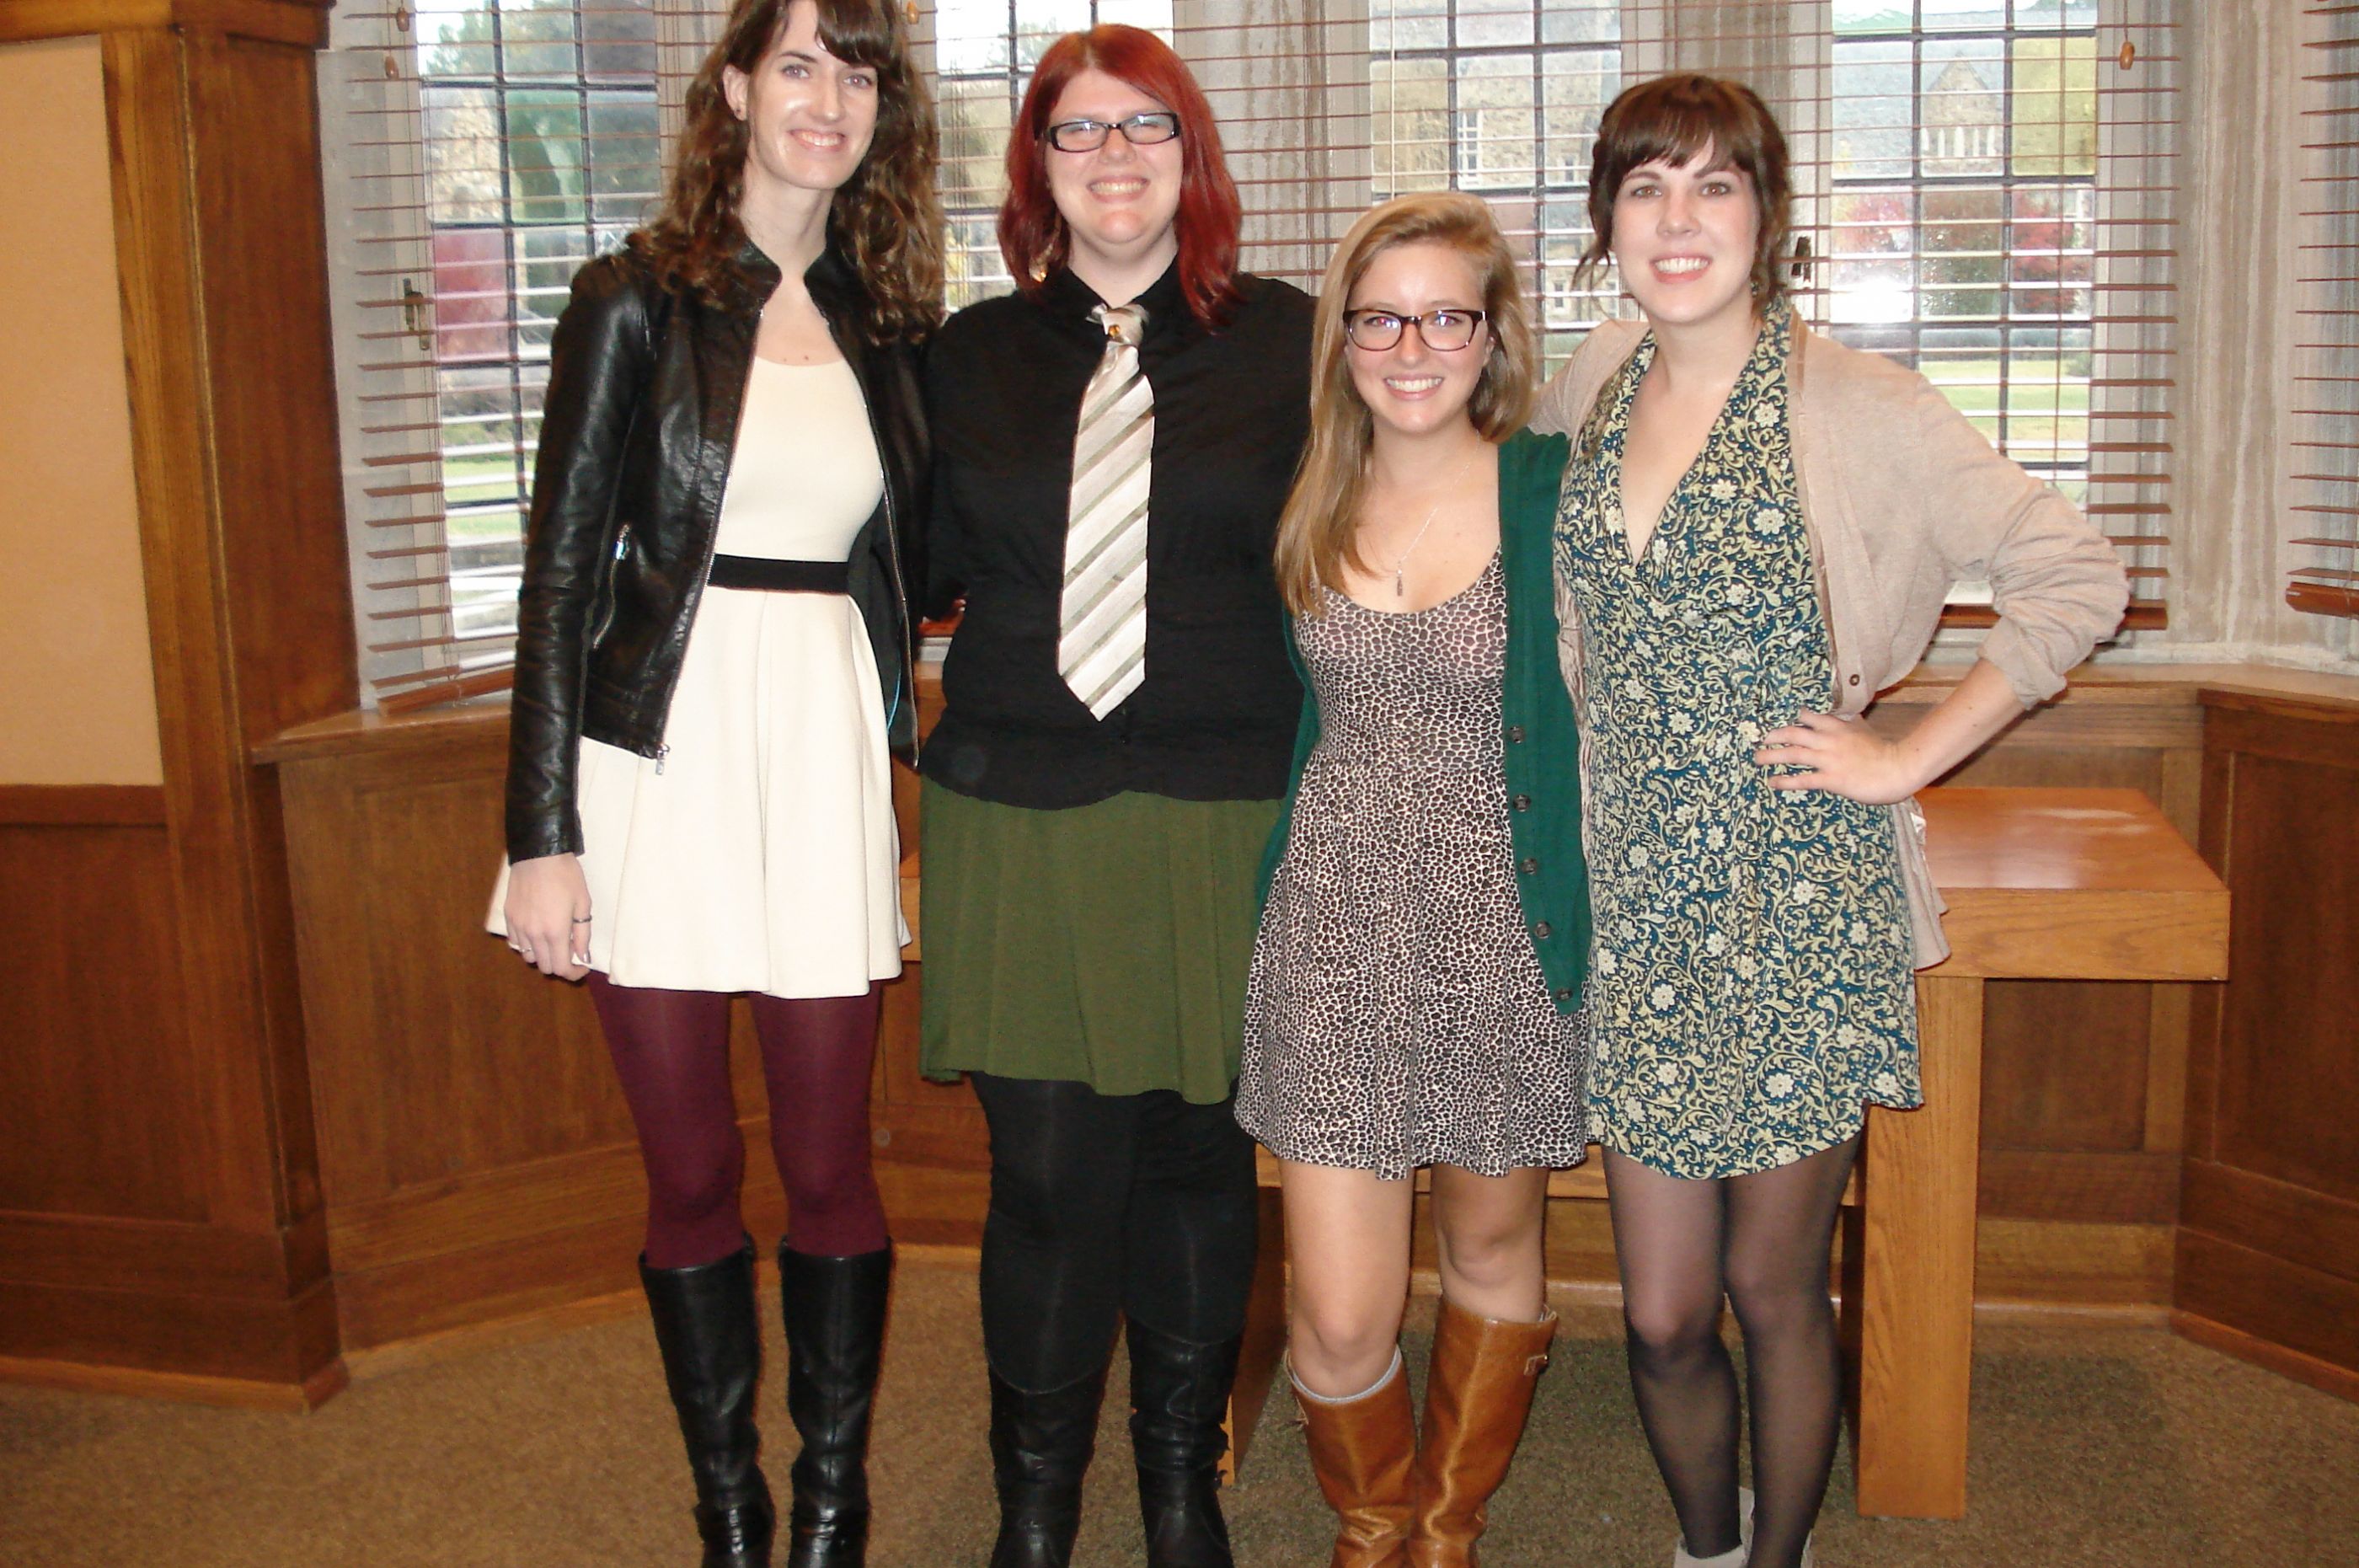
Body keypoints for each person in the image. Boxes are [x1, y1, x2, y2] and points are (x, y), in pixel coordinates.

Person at [1532, 75, 2129, 1568]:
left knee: (1773, 1289)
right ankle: (1706, 1542)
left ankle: (1770, 1560)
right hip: (1641, 906)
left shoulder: (1860, 403)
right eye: (1647, 186)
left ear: (1767, 216)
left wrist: (1906, 756)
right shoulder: (1592, 378)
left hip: (1801, 894)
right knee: (1662, 1308)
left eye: (1715, 186)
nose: (1680, 220)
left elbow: (2074, 576)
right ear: (1606, 220)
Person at [489, 0, 939, 1561]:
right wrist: (539, 837)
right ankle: (727, 1503)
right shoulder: (633, 297)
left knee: (829, 1160)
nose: (829, 98)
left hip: (817, 750)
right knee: (689, 1166)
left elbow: (928, 561)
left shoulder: (894, 319)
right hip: (652, 758)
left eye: (858, 70)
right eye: (799, 63)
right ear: (738, 85)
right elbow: (557, 579)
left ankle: (829, 1496)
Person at [917, 24, 1314, 1568]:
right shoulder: (967, 356)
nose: (1117, 158)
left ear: (1192, 154)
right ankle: (1034, 1507)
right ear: (1038, 170)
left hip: (1222, 802)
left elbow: (1408, 507)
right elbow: (888, 564)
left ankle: (1179, 1485)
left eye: (1148, 127)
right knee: (1050, 1173)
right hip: (1021, 804)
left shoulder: (1290, 338)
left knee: (1198, 1156)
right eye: (1079, 133)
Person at [1236, 190, 1592, 1568]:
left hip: (1508, 925)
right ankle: (1372, 1517)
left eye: (1449, 313)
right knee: (1338, 1311)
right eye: (1383, 315)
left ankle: (1438, 1531)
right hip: (1330, 926)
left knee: (1495, 1248)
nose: (1415, 343)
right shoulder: (1304, 490)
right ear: (1344, 337)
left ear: (1493, 335)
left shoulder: (1554, 489)